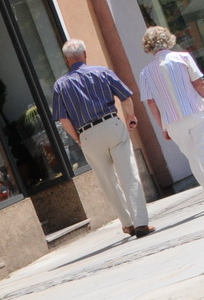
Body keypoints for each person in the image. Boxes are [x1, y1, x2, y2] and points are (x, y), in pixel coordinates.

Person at [51, 39, 152, 238]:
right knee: (129, 175)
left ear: (66, 60)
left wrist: (78, 138)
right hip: (111, 124)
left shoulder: (60, 85)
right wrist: (130, 117)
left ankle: (127, 223)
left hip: (86, 133)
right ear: (85, 55)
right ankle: (141, 223)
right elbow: (125, 96)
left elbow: (63, 118)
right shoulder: (102, 72)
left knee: (108, 181)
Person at [139, 26, 204, 210]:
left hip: (172, 121)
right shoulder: (183, 57)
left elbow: (151, 103)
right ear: (168, 40)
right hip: (196, 111)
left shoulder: (145, 73)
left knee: (193, 157)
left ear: (149, 46)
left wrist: (163, 127)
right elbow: (200, 85)